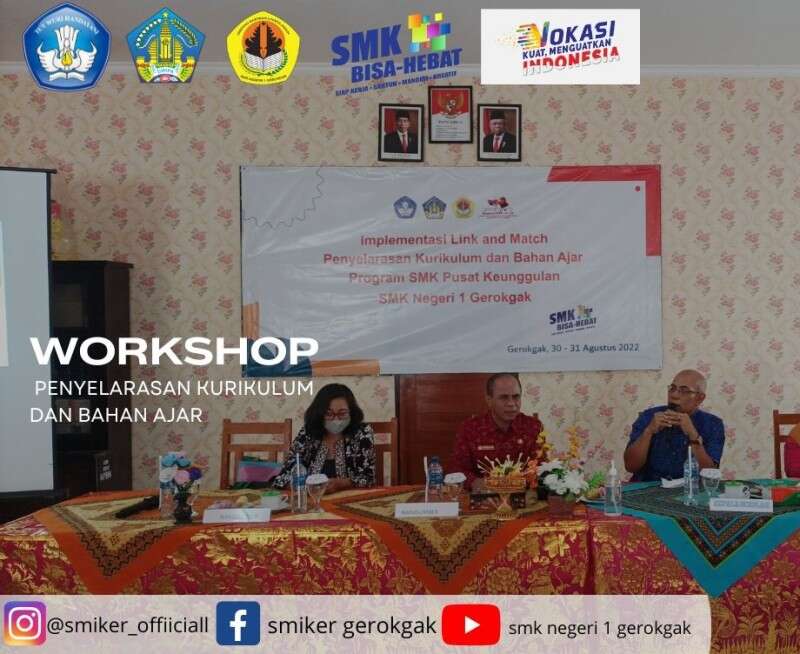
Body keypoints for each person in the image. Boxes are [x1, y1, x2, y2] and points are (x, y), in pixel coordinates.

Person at [451, 373, 547, 490]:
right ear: (489, 400)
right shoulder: (470, 428)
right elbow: (457, 470)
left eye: (516, 397)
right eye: (504, 397)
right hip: (483, 496)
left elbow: (542, 467)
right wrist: (475, 482)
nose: (511, 404)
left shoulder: (533, 427)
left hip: (524, 495)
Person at [624, 369, 725, 482]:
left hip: (689, 488)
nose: (674, 395)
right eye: (672, 388)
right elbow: (630, 466)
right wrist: (648, 431)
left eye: (684, 391)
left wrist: (693, 435)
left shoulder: (713, 424)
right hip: (647, 486)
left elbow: (709, 474)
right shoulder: (648, 417)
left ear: (700, 398)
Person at [272, 383, 375, 492]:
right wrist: (306, 487)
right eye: (329, 414)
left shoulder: (362, 432)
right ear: (319, 414)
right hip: (312, 498)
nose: (336, 419)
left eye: (342, 413)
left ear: (352, 412)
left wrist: (342, 484)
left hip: (350, 499)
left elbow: (368, 478)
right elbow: (282, 478)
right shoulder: (308, 432)